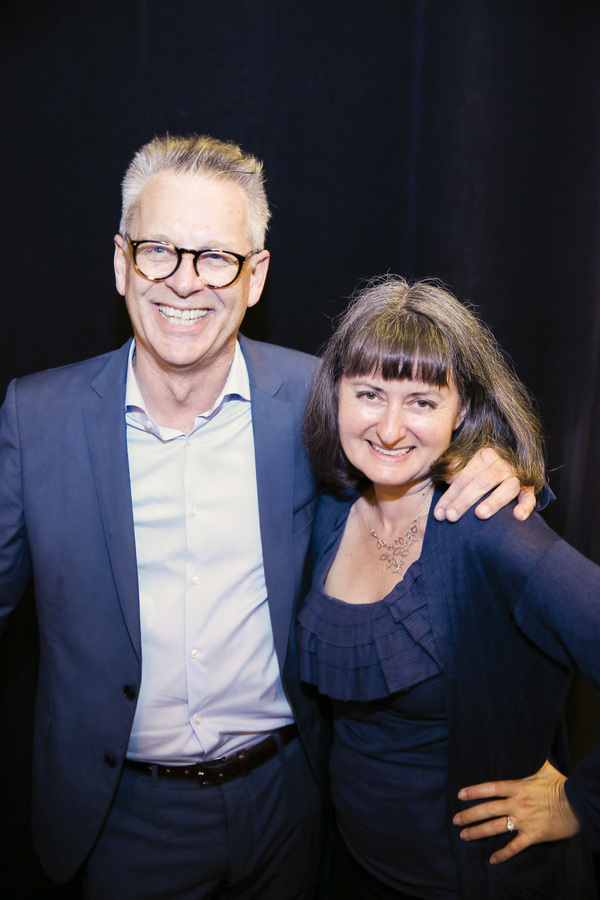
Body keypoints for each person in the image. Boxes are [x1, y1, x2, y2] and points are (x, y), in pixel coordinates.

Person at [0, 136, 535, 899]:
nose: (185, 283)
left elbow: (413, 460)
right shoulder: (36, 418)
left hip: (292, 803)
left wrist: (491, 467)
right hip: (122, 816)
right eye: (159, 250)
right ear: (121, 262)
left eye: (217, 257)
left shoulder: (319, 401)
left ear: (256, 277)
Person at [299, 276, 600, 899]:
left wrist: (581, 802)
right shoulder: (327, 512)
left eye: (423, 402)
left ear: (462, 410)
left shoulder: (490, 532)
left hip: (468, 885)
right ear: (335, 397)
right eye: (370, 393)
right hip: (348, 869)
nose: (388, 428)